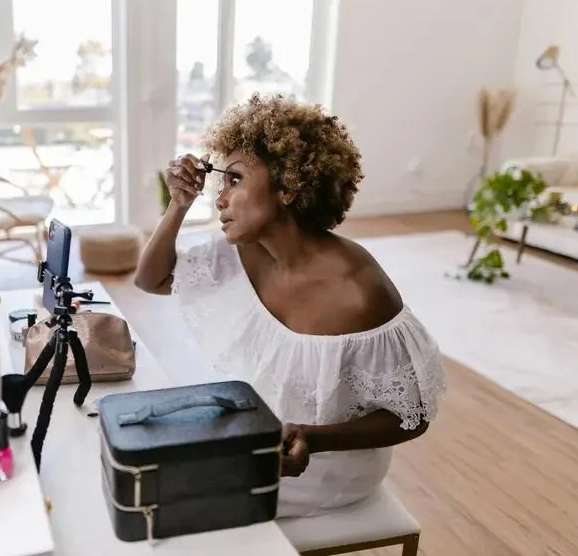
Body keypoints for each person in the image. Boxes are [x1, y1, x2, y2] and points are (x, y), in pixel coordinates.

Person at [134, 93, 446, 518]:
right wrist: (178, 205)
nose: (220, 198)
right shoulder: (240, 254)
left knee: (161, 496)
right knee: (141, 462)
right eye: (220, 183)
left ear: (288, 186)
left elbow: (411, 416)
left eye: (236, 180)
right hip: (250, 429)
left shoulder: (358, 290)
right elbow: (151, 280)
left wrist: (313, 438)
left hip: (322, 468)